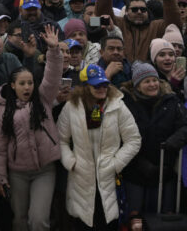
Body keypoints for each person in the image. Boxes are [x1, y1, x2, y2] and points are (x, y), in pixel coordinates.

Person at [0, 25, 62, 231]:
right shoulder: (2, 111)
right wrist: (1, 177)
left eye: (30, 83)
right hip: (17, 173)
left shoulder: (43, 99)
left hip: (44, 170)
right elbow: (0, 147)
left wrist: (54, 51)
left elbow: (52, 75)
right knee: (20, 220)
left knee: (39, 220)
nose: (27, 87)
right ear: (12, 86)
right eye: (22, 83)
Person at [58, 63, 140, 230]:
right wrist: (71, 162)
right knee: (82, 223)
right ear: (85, 86)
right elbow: (61, 140)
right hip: (81, 177)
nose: (102, 88)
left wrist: (116, 163)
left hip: (108, 176)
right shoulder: (71, 106)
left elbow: (134, 139)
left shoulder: (117, 105)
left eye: (104, 84)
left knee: (107, 223)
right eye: (96, 85)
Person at [121, 62, 187, 221]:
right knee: (135, 217)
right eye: (147, 81)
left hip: (164, 169)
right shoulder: (126, 104)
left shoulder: (171, 101)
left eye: (154, 80)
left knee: (162, 217)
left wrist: (175, 140)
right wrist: (139, 163)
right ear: (137, 86)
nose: (152, 84)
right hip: (135, 170)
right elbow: (119, 136)